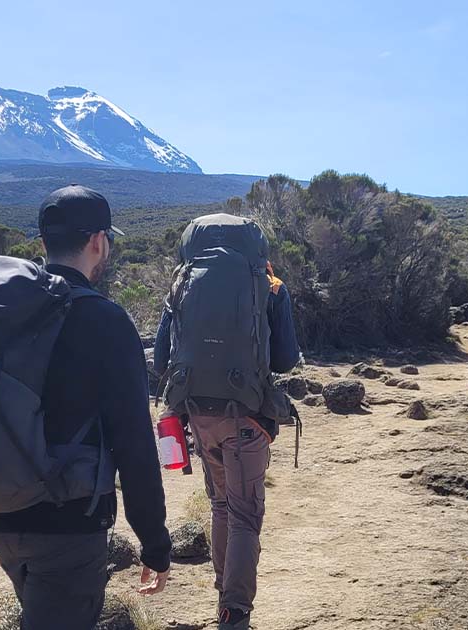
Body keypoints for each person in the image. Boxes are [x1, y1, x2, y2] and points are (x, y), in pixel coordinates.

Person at [0, 185, 172, 629]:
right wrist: (155, 543)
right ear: (98, 241)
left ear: (42, 245)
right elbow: (133, 442)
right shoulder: (105, 320)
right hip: (68, 523)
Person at [152, 215, 300, 630]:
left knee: (221, 506)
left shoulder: (182, 284)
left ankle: (224, 596)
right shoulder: (270, 286)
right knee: (245, 516)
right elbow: (287, 358)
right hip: (248, 418)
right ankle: (234, 611)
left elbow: (161, 359)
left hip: (198, 415)